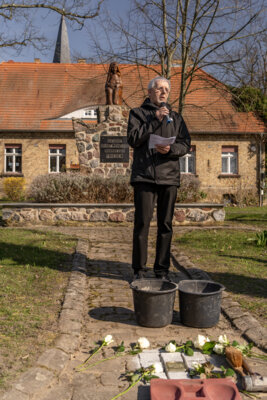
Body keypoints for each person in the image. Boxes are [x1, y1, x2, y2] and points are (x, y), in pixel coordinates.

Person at [127, 76, 191, 280]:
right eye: (159, 88)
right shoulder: (137, 114)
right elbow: (133, 139)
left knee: (165, 225)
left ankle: (161, 270)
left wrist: (170, 149)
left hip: (169, 177)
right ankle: (139, 269)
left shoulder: (177, 118)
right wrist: (155, 119)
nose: (163, 92)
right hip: (144, 176)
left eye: (166, 89)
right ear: (150, 92)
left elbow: (185, 144)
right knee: (142, 223)